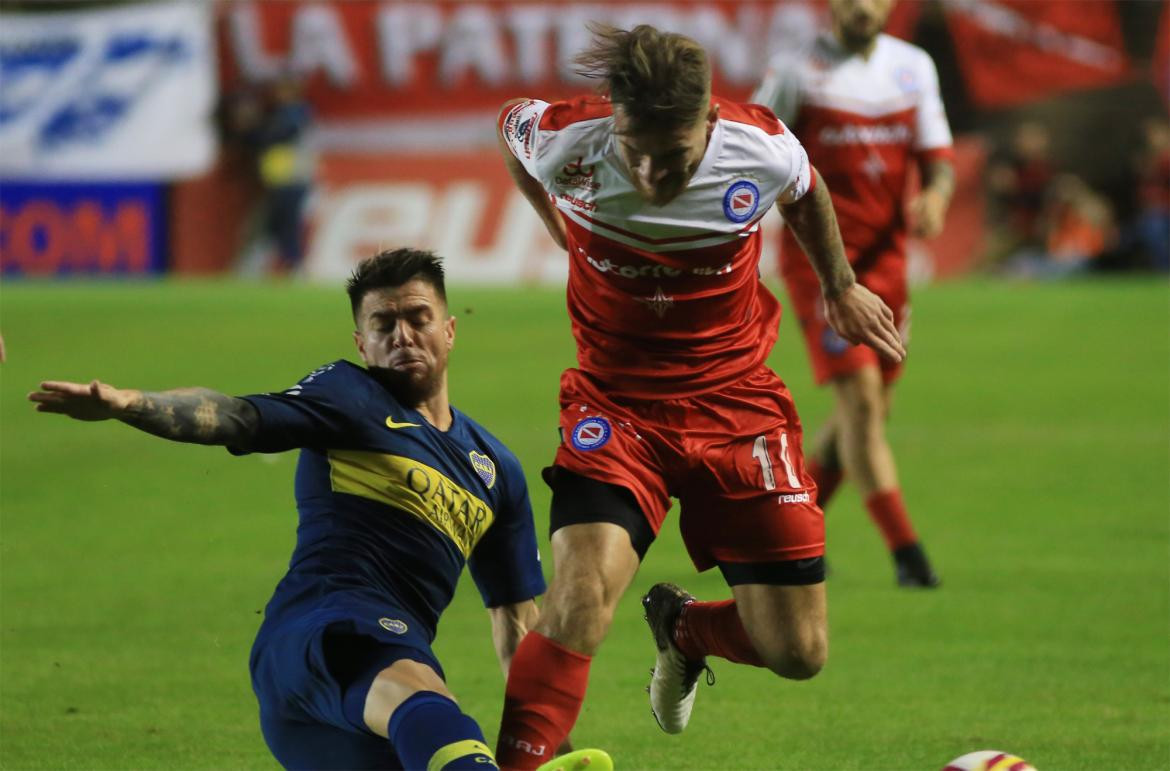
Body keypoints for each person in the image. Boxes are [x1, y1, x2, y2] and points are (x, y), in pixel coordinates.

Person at [493, 22, 905, 767]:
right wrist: (553, 218)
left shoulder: (760, 144)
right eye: (635, 151)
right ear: (614, 119)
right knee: (581, 600)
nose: (651, 173)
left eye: (673, 156)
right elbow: (509, 130)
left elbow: (807, 190)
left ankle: (685, 629)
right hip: (616, 409)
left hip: (737, 405)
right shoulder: (566, 142)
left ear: (709, 123)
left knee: (799, 649)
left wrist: (840, 286)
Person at [28, 249, 610, 771]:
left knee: (437, 729)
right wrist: (133, 404)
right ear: (362, 342)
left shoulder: (496, 470)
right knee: (437, 714)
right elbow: (237, 415)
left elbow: (516, 629)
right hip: (325, 633)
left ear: (450, 330)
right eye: (384, 324)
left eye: (418, 318)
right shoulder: (348, 397)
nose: (403, 335)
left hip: (347, 720)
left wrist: (543, 753)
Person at [752, 0, 954, 587]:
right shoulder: (795, 70)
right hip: (823, 265)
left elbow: (936, 157)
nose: (863, 5)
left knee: (864, 415)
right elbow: (760, 150)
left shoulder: (913, 66)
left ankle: (783, 529)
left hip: (889, 265)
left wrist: (937, 197)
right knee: (863, 405)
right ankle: (909, 557)